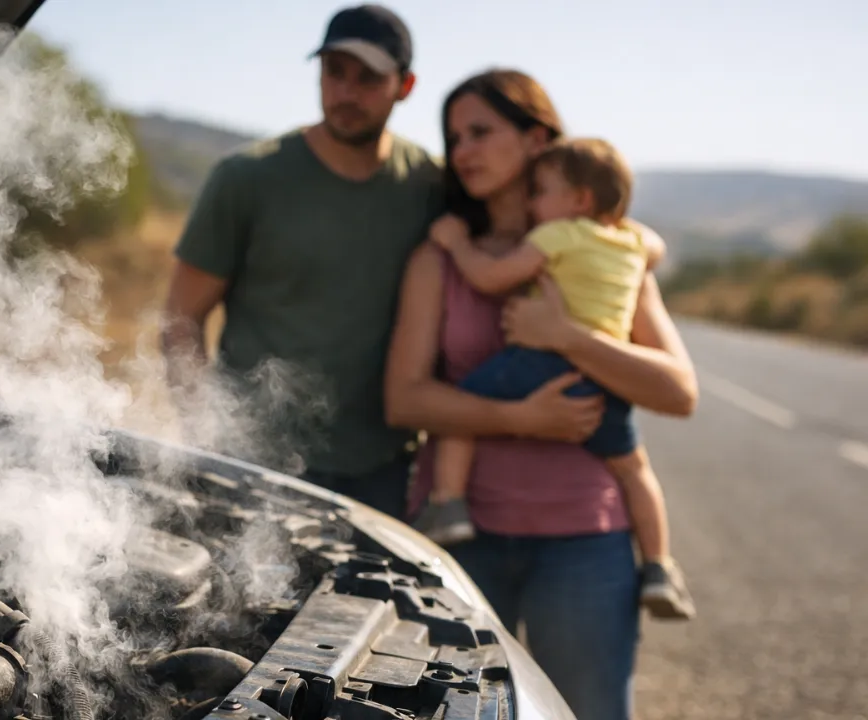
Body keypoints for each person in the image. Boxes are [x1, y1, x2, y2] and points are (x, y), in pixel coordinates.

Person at [159, 5, 600, 518]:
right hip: (256, 466)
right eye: (334, 73)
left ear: (405, 85)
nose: (346, 92)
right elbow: (180, 321)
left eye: (368, 78)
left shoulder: (431, 186)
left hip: (384, 474)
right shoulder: (244, 179)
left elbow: (526, 224)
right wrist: (206, 439)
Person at [383, 68, 699, 720]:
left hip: (585, 545)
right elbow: (404, 401)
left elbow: (679, 392)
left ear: (537, 139)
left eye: (480, 132)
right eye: (453, 136)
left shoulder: (610, 252)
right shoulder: (440, 258)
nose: (461, 150)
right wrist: (522, 418)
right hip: (463, 540)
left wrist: (567, 337)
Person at [417, 136, 696, 621]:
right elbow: (656, 244)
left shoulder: (556, 235)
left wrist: (457, 243)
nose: (532, 201)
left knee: (461, 408)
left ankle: (448, 505)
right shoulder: (630, 241)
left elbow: (489, 278)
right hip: (605, 383)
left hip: (543, 365)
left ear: (578, 201)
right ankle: (658, 566)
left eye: (541, 191)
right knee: (632, 469)